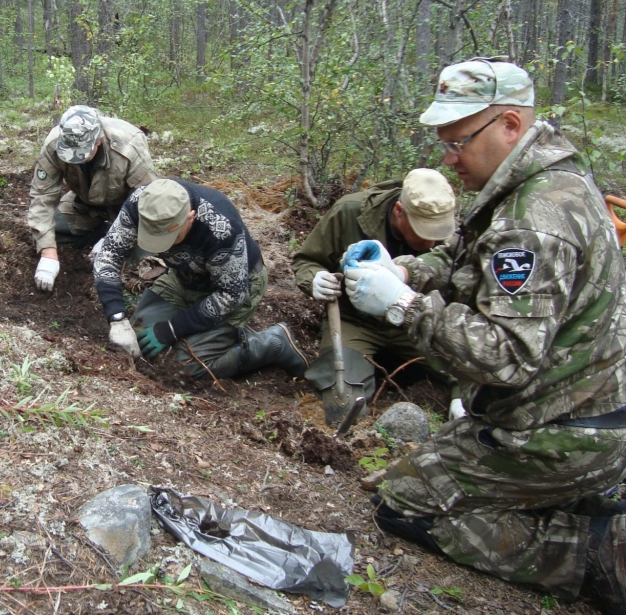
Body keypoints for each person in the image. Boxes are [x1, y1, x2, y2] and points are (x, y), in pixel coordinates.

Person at [342, 58, 626, 612]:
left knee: (404, 503)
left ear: (510, 125)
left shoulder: (534, 219)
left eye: (459, 143)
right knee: (419, 471)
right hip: (573, 411)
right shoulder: (541, 178)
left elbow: (506, 356)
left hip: (559, 431)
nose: (448, 159)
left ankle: (597, 553)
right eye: (444, 144)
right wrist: (406, 270)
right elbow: (474, 254)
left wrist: (404, 307)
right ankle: (579, 501)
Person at [94, 178, 308, 380]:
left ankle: (271, 343)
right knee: (140, 341)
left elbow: (232, 295)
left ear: (190, 216)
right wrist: (117, 318)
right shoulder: (142, 205)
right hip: (184, 276)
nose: (162, 247)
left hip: (236, 288)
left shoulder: (220, 228)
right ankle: (217, 333)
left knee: (184, 365)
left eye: (171, 238)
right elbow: (108, 257)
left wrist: (171, 329)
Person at [292, 169, 457, 417]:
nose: (432, 245)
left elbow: (457, 277)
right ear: (400, 211)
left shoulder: (449, 233)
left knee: (473, 375)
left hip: (417, 318)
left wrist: (463, 396)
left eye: (437, 236)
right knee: (342, 404)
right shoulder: (350, 212)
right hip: (356, 321)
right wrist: (315, 279)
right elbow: (307, 260)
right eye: (424, 234)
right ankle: (368, 368)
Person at [29, 105, 157, 292]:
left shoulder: (129, 146)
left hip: (127, 210)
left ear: (99, 140)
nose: (76, 160)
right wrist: (48, 253)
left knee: (146, 254)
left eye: (82, 153)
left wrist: (114, 239)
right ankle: (97, 232)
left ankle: (107, 234)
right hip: (84, 204)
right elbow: (42, 197)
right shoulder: (55, 143)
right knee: (45, 233)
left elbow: (146, 202)